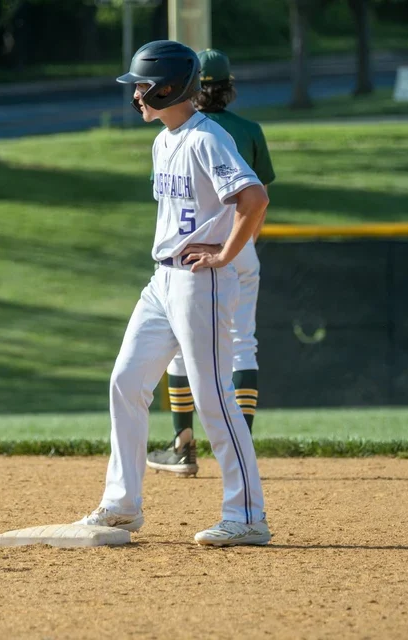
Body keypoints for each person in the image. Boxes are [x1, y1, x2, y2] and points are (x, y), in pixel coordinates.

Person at [74, 40, 271, 546]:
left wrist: (225, 254)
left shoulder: (207, 138)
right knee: (126, 380)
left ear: (167, 88)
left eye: (142, 86)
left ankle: (247, 514)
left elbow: (254, 198)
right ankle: (122, 505)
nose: (136, 95)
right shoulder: (164, 141)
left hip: (199, 281)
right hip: (162, 280)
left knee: (213, 396)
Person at [146, 48, 276, 478]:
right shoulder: (249, 129)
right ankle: (241, 446)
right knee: (243, 345)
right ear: (229, 86)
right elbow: (260, 199)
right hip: (241, 245)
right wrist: (243, 246)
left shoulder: (188, 131)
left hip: (197, 253)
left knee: (179, 354)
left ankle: (183, 444)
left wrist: (223, 252)